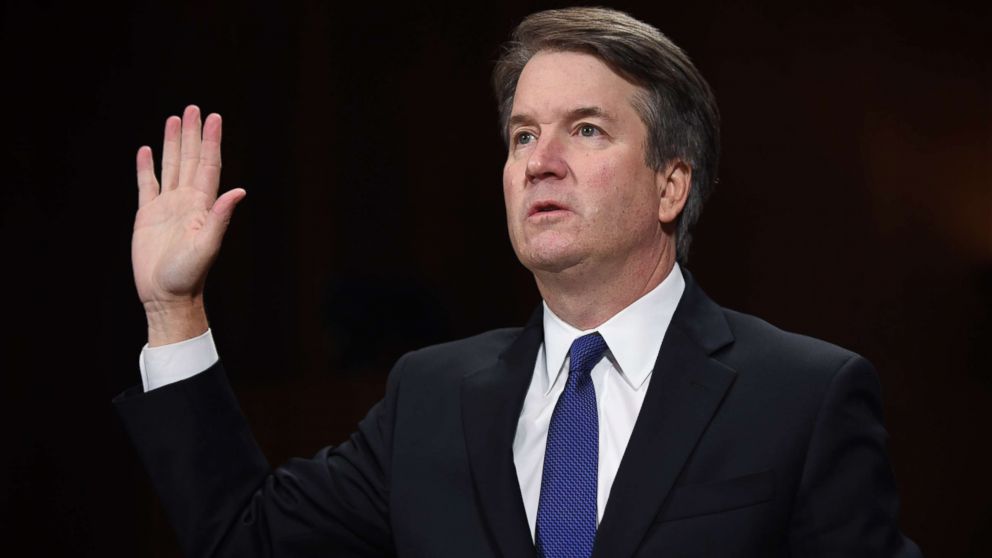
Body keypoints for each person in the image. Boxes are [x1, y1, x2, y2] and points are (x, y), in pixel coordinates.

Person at [116, 7, 922, 557]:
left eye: (586, 129)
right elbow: (241, 539)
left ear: (670, 185)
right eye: (522, 134)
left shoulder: (803, 396)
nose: (540, 159)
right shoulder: (431, 396)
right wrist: (171, 305)